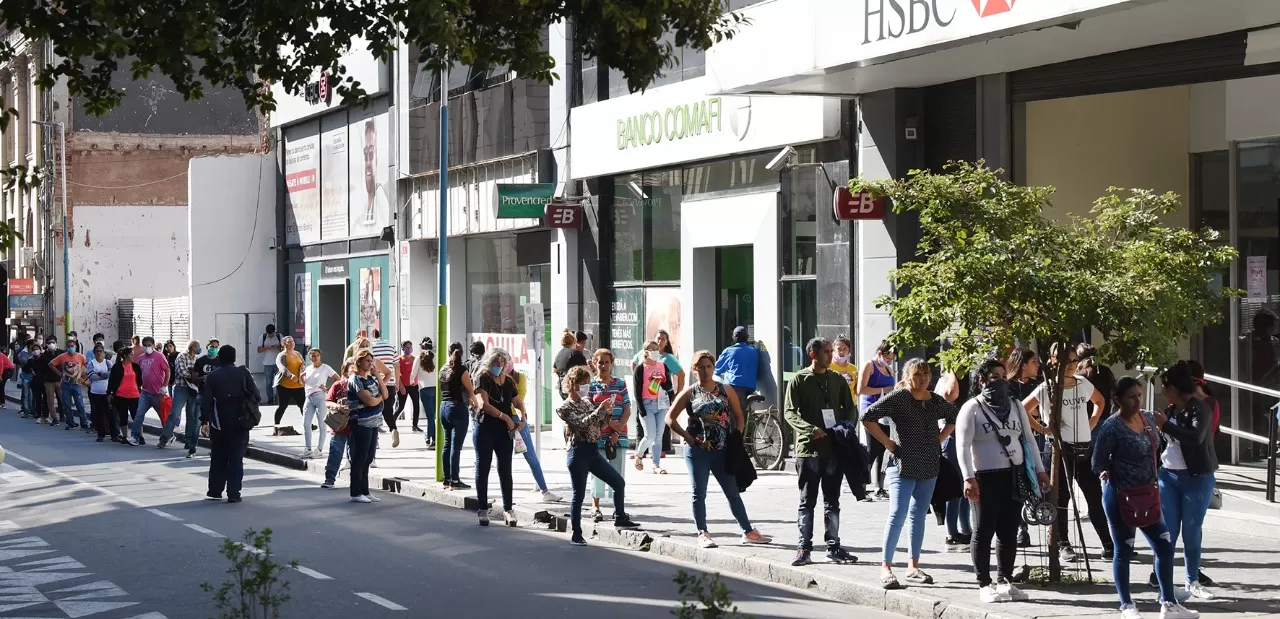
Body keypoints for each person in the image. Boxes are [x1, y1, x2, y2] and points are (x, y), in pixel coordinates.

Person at [1094, 377, 1199, 619]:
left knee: (1163, 545)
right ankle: (1127, 605)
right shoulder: (1111, 427)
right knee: (1123, 549)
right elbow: (1096, 461)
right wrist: (1109, 471)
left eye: (1139, 395)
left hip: (1147, 493)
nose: (1137, 400)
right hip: (1120, 495)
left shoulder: (1148, 419)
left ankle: (1169, 604)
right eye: (1132, 396)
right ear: (1117, 399)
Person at [956, 358, 1049, 603]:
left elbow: (1028, 440)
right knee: (984, 529)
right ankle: (983, 583)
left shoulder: (1017, 406)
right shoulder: (972, 408)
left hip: (1013, 475)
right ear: (982, 381)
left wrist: (1039, 471)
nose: (1000, 382)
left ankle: (1005, 580)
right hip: (985, 478)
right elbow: (962, 445)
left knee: (1008, 531)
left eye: (1003, 377)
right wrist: (968, 478)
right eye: (994, 377)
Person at [863, 358, 957, 589]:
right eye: (917, 374)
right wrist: (887, 442)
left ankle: (913, 566)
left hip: (928, 464)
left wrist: (940, 439)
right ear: (906, 378)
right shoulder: (899, 397)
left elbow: (954, 415)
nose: (923, 379)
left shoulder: (934, 400)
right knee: (897, 513)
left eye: (926, 374)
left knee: (918, 516)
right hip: (901, 464)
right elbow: (867, 416)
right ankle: (886, 567)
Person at [669, 349, 771, 549]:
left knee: (732, 491)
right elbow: (670, 418)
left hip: (722, 450)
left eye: (709, 366)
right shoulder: (690, 393)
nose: (706, 371)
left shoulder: (725, 389)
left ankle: (747, 531)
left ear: (714, 368)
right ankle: (703, 532)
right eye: (701, 367)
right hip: (698, 451)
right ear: (694, 369)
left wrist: (737, 437)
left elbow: (739, 415)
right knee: (699, 493)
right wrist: (688, 438)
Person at [1023, 344, 1114, 563]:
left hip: (1083, 447)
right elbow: (1023, 408)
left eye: (1074, 361)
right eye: (1066, 361)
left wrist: (1091, 423)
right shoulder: (1048, 388)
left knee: (1093, 495)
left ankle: (1108, 544)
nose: (1070, 366)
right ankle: (1063, 543)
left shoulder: (1082, 383)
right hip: (1057, 449)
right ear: (1054, 361)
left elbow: (1099, 402)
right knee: (1061, 498)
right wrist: (1043, 428)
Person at [784, 337, 860, 567]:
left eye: (831, 351)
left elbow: (851, 409)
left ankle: (833, 546)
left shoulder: (836, 379)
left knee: (833, 501)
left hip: (833, 450)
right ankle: (803, 548)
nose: (831, 355)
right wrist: (809, 429)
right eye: (826, 352)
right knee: (807, 501)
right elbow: (789, 412)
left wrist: (846, 427)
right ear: (813, 354)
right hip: (808, 451)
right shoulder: (799, 379)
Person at [1154, 362, 1218, 602]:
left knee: (1191, 531)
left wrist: (1165, 426)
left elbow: (1196, 438)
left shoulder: (1200, 409)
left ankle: (1192, 581)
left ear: (1174, 387)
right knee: (1167, 532)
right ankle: (1165, 586)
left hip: (1196, 477)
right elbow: (1161, 443)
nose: (1163, 391)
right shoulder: (1170, 411)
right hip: (1168, 477)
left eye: (1165, 386)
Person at [558, 366, 639, 545]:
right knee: (578, 495)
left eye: (587, 383)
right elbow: (581, 424)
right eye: (583, 383)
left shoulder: (586, 402)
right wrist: (599, 410)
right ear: (572, 385)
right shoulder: (565, 407)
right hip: (578, 452)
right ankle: (576, 533)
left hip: (593, 451)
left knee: (618, 482)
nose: (586, 386)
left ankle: (620, 516)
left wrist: (607, 413)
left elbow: (598, 425)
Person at [200, 346, 261, 503]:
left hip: (219, 424)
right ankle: (233, 493)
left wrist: (204, 421)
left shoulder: (213, 376)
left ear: (220, 357)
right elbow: (257, 396)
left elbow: (206, 401)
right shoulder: (243, 372)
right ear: (234, 358)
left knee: (218, 457)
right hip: (241, 422)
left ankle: (215, 490)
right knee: (236, 458)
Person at [472, 348, 521, 526]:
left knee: (505, 469)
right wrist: (506, 417)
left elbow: (517, 401)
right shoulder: (482, 378)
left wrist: (523, 416)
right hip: (486, 427)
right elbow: (483, 404)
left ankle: (508, 509)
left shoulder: (507, 380)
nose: (499, 366)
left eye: (502, 362)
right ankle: (483, 508)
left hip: (504, 431)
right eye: (496, 362)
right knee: (483, 467)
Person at [587, 349, 631, 523]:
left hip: (618, 436)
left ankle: (618, 508)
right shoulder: (591, 386)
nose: (604, 365)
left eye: (606, 362)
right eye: (600, 362)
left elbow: (627, 408)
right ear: (595, 364)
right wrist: (608, 424)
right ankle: (595, 507)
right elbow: (589, 410)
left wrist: (617, 430)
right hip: (597, 435)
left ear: (612, 363)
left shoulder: (620, 384)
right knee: (597, 472)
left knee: (617, 473)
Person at [1006, 347, 1044, 546]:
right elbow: (1024, 413)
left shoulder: (1038, 385)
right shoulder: (1009, 387)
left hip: (1037, 438)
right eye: (1033, 362)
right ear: (1023, 365)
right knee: (1020, 481)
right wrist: (1037, 422)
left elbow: (1037, 411)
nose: (1037, 366)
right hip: (1018, 440)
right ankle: (1022, 528)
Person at [508, 363, 561, 503]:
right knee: (514, 458)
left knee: (529, 455)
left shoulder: (517, 378)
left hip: (516, 419)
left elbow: (518, 400)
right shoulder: (500, 379)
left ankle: (544, 489)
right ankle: (543, 490)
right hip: (510, 419)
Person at [346, 349, 388, 503]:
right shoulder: (355, 379)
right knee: (360, 457)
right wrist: (378, 399)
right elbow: (369, 401)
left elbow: (386, 394)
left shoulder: (371, 379)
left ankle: (365, 490)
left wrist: (378, 376)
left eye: (371, 361)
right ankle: (355, 492)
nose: (370, 363)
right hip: (361, 422)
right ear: (359, 362)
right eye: (367, 361)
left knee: (369, 457)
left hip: (374, 422)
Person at [858, 340, 897, 499]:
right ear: (880, 353)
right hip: (871, 411)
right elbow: (861, 390)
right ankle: (860, 484)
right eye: (887, 358)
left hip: (886, 414)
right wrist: (882, 389)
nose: (889, 362)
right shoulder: (869, 365)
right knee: (873, 449)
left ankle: (879, 487)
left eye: (891, 360)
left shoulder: (888, 369)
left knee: (883, 449)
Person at [633, 339, 672, 474]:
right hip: (646, 404)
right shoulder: (640, 368)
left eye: (656, 349)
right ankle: (639, 455)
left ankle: (656, 465)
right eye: (651, 349)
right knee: (649, 435)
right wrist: (641, 410)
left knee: (658, 436)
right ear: (645, 352)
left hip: (661, 404)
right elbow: (637, 391)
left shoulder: (662, 366)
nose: (655, 351)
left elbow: (669, 386)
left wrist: (660, 382)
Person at [438, 343, 474, 490]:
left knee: (447, 444)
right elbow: (470, 390)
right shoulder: (462, 370)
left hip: (444, 407)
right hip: (457, 407)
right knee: (456, 447)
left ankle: (447, 478)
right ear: (462, 353)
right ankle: (455, 479)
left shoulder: (443, 369)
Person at [127, 337, 171, 446]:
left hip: (158, 393)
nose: (147, 347)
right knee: (139, 414)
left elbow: (167, 370)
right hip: (145, 392)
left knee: (163, 416)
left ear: (153, 344)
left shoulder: (159, 356)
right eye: (145, 345)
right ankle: (135, 436)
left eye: (149, 345)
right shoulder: (141, 358)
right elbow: (139, 373)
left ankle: (169, 435)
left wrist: (164, 386)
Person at [160, 341, 202, 449]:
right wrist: (195, 377)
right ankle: (164, 438)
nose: (198, 349)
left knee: (191, 416)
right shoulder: (182, 356)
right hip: (181, 388)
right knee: (174, 414)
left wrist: (196, 377)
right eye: (197, 347)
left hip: (193, 390)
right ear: (192, 347)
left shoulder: (197, 359)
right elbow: (183, 372)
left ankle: (188, 441)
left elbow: (199, 373)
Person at [183, 339, 221, 457]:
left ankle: (215, 449)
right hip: (203, 393)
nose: (213, 349)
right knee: (198, 422)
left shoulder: (220, 361)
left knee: (215, 423)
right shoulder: (200, 361)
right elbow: (194, 378)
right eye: (211, 346)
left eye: (216, 347)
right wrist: (204, 378)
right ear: (207, 346)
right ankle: (192, 448)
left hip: (217, 396)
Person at [321, 362, 354, 489]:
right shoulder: (338, 385)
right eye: (352, 368)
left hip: (356, 425)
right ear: (345, 371)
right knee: (335, 452)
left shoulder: (361, 384)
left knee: (355, 455)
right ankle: (330, 479)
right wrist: (338, 406)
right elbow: (328, 402)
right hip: (339, 425)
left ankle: (356, 481)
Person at [301, 348, 338, 458]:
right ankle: (307, 448)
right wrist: (301, 378)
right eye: (312, 356)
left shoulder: (325, 368)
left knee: (322, 423)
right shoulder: (308, 369)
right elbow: (305, 383)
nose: (315, 358)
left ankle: (319, 449)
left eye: (317, 355)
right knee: (306, 423)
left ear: (320, 356)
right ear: (309, 357)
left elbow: (338, 379)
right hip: (309, 397)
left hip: (320, 396)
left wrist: (328, 389)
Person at [270, 336, 306, 436]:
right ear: (284, 344)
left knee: (304, 406)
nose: (291, 343)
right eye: (289, 342)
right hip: (284, 386)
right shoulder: (281, 355)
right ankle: (276, 425)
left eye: (293, 341)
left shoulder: (298, 354)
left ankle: (308, 424)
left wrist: (303, 367)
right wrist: (290, 375)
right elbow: (281, 367)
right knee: (282, 407)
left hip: (298, 386)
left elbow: (303, 364)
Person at [714, 326, 759, 406]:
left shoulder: (729, 351)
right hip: (751, 387)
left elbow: (717, 370)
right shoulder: (754, 351)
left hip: (734, 386)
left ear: (733, 338)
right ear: (747, 338)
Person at [50, 340, 89, 431]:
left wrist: (84, 378)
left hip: (77, 385)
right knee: (67, 405)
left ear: (75, 347)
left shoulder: (81, 357)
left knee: (80, 404)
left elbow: (90, 367)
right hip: (65, 385)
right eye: (69, 346)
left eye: (72, 346)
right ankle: (70, 422)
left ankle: (84, 423)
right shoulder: (62, 357)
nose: (70, 348)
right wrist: (59, 374)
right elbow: (51, 364)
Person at [107, 347, 142, 443]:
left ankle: (139, 436)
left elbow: (140, 379)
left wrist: (140, 388)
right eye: (131, 354)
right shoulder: (117, 367)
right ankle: (125, 436)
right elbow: (112, 380)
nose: (132, 356)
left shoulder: (135, 366)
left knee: (137, 416)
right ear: (126, 356)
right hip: (121, 395)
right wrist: (109, 393)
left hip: (134, 395)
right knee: (123, 416)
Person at [86, 345, 117, 442]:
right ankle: (101, 434)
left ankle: (114, 434)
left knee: (110, 414)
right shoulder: (91, 363)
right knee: (98, 414)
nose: (99, 353)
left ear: (103, 352)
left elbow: (110, 374)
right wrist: (103, 375)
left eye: (101, 351)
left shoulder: (107, 362)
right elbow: (91, 377)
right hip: (95, 392)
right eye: (97, 351)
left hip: (106, 392)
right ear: (94, 353)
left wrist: (99, 374)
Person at [552, 329, 589, 399]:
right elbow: (586, 373)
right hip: (575, 389)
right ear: (575, 342)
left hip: (563, 389)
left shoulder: (559, 354)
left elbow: (555, 371)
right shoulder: (576, 353)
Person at [394, 341, 421, 433]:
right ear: (403, 348)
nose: (409, 349)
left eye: (410, 347)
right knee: (401, 406)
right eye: (407, 347)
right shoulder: (399, 360)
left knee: (416, 405)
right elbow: (397, 373)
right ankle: (392, 423)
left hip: (413, 386)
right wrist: (400, 386)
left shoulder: (415, 359)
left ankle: (415, 425)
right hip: (403, 386)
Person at [413, 345, 437, 447]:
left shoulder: (419, 357)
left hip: (424, 388)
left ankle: (432, 439)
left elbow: (413, 374)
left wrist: (412, 382)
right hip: (436, 388)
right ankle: (431, 437)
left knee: (430, 416)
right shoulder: (436, 356)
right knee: (433, 416)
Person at [35, 339, 63, 426]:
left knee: (62, 400)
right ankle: (54, 418)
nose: (51, 344)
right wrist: (44, 378)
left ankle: (63, 415)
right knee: (50, 401)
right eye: (49, 343)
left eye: (53, 342)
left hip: (60, 380)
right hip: (49, 381)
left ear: (56, 343)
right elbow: (39, 369)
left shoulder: (61, 353)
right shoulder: (44, 356)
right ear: (46, 344)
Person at [828, 334, 859, 405]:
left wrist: (859, 380)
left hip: (850, 406)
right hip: (833, 405)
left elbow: (857, 392)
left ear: (849, 351)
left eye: (845, 349)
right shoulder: (828, 366)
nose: (842, 352)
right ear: (833, 350)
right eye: (839, 349)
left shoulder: (853, 368)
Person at [258, 325, 282, 405]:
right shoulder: (263, 337)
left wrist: (277, 347)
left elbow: (283, 348)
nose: (270, 336)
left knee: (279, 382)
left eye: (271, 334)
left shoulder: (279, 336)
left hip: (278, 363)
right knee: (269, 382)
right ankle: (270, 399)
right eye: (269, 334)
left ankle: (279, 399)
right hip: (267, 363)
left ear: (274, 331)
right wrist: (267, 348)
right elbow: (259, 350)